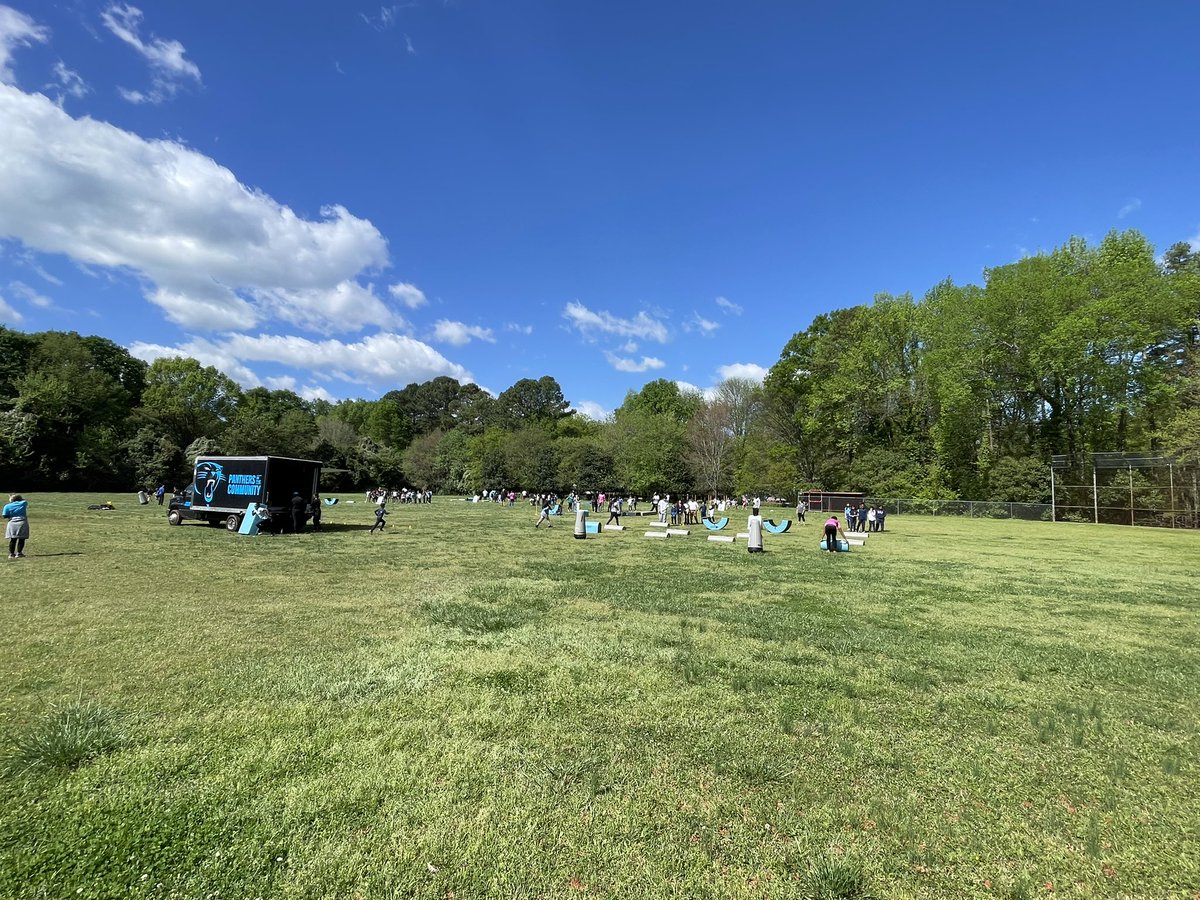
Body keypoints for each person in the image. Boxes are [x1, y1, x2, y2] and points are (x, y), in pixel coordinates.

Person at [4, 494, 29, 559]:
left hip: (12, 522)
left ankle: (11, 554)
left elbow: (5, 515)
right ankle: (19, 553)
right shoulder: (24, 503)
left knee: (13, 539)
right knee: (21, 538)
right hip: (22, 521)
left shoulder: (7, 506)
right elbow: (24, 500)